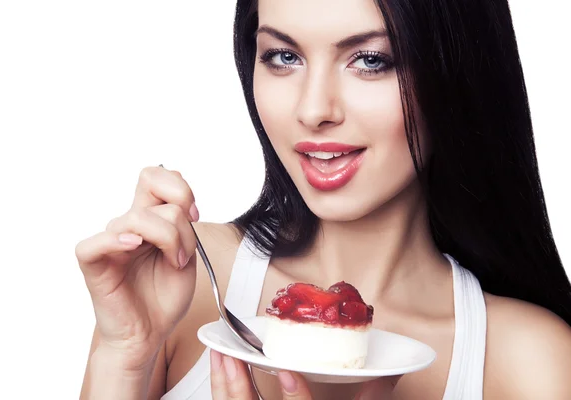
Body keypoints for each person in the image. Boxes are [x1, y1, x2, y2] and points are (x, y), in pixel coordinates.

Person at [76, 0, 571, 398]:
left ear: (453, 73)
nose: (313, 110)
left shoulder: (530, 361)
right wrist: (124, 354)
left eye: (370, 60)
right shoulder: (186, 281)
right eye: (283, 56)